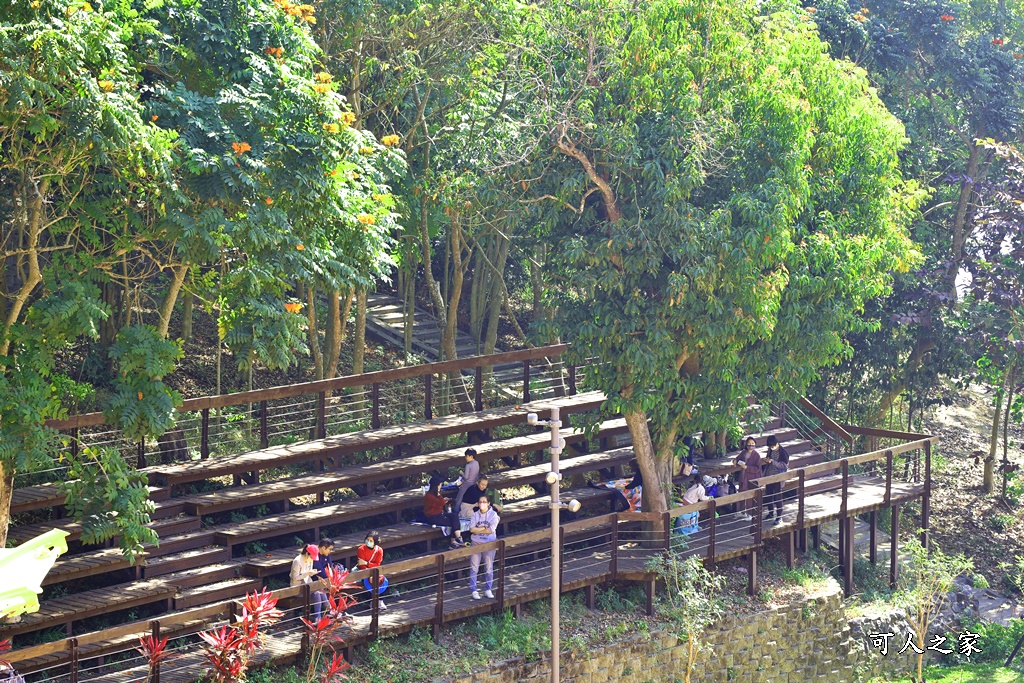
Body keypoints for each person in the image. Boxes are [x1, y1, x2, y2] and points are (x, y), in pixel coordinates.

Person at [468, 494, 500, 600]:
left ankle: (488, 589)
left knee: (489, 567)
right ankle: (473, 590)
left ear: (488, 503)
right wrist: (484, 528)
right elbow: (472, 529)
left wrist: (479, 528)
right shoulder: (475, 515)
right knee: (474, 568)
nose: (482, 504)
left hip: (489, 543)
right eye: (480, 502)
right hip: (476, 543)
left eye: (484, 502)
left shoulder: (493, 515)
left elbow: (491, 530)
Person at [423, 477, 467, 549]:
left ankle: (457, 539)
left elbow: (440, 503)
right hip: (432, 517)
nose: (440, 487)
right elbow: (441, 502)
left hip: (439, 514)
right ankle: (455, 540)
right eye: (440, 485)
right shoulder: (429, 496)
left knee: (454, 517)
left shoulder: (435, 494)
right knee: (453, 522)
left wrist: (442, 499)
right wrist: (440, 496)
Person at [356, 530, 389, 610]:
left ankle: (380, 601)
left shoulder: (379, 550)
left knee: (383, 580)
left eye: (371, 541)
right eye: (367, 540)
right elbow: (361, 565)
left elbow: (378, 564)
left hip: (375, 570)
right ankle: (371, 602)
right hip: (364, 571)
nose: (368, 542)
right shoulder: (361, 549)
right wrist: (368, 573)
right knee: (368, 582)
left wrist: (367, 563)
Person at [762, 435, 790, 523]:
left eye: (772, 446)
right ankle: (771, 513)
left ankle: (779, 516)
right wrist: (767, 460)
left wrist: (772, 462)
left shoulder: (783, 453)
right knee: (769, 495)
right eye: (770, 446)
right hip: (769, 475)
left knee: (778, 497)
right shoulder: (770, 450)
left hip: (778, 476)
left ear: (777, 443)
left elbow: (784, 466)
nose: (771, 448)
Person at [734, 436, 760, 521]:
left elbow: (757, 469)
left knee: (749, 496)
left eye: (752, 443)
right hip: (743, 476)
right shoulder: (744, 452)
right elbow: (738, 459)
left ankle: (750, 514)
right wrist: (735, 461)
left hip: (751, 478)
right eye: (749, 444)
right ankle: (742, 512)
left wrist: (747, 467)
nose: (751, 445)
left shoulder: (756, 455)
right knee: (741, 493)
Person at [311, 538, 335, 620]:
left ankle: (328, 612)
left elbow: (330, 566)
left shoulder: (326, 555)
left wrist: (332, 576)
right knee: (319, 591)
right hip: (313, 580)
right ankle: (329, 610)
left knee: (320, 589)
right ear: (323, 548)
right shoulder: (314, 554)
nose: (330, 551)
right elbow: (319, 570)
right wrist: (329, 578)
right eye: (330, 549)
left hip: (324, 580)